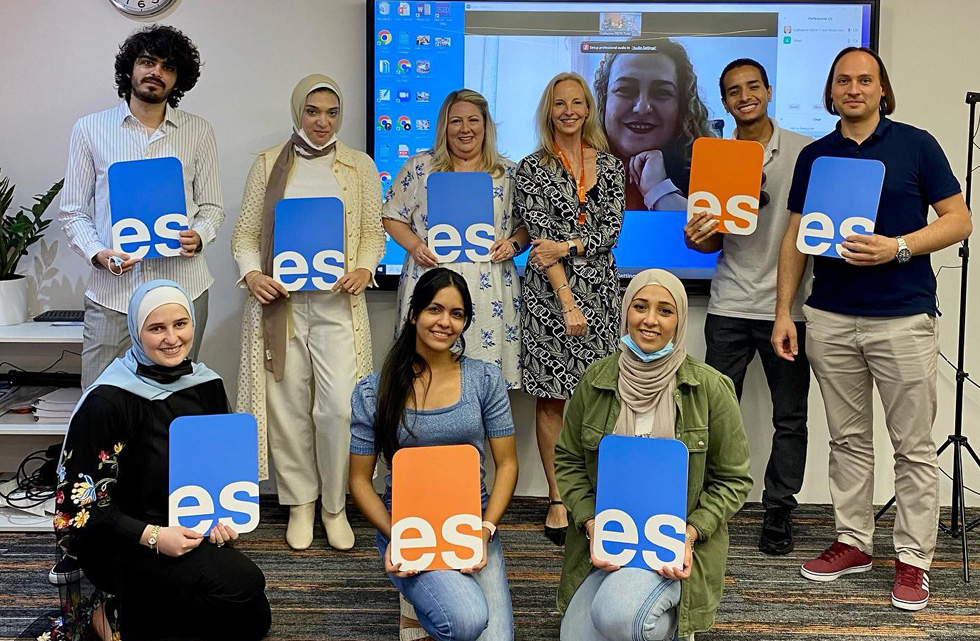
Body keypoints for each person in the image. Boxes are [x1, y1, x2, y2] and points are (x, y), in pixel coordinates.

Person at [772, 47, 972, 611]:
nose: (854, 88)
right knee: (848, 441)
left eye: (865, 79)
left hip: (904, 319)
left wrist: (899, 247)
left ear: (882, 90)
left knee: (913, 449)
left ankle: (913, 561)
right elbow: (794, 239)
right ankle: (853, 541)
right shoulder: (815, 156)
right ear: (830, 92)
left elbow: (959, 220)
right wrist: (787, 311)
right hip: (830, 318)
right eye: (843, 80)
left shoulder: (917, 144)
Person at [51, 279, 271, 641]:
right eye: (156, 328)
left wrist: (221, 519)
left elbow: (217, 472)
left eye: (180, 324)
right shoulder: (108, 400)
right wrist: (154, 536)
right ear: (137, 333)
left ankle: (132, 616)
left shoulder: (206, 385)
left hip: (186, 526)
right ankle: (110, 617)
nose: (172, 338)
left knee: (254, 618)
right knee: (246, 583)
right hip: (123, 538)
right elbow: (81, 509)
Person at [232, 74, 385, 551]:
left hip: (337, 306)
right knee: (288, 408)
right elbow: (245, 235)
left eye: (332, 112)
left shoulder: (360, 167)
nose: (322, 122)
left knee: (338, 409)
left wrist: (363, 268)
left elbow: (373, 234)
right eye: (313, 111)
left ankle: (334, 505)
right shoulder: (267, 164)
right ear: (298, 111)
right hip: (283, 309)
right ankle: (299, 503)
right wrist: (253, 275)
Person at [555, 269, 752, 641]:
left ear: (680, 320)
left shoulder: (709, 387)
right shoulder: (596, 380)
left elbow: (733, 479)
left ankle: (671, 620)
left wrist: (690, 534)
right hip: (605, 545)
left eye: (665, 311)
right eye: (640, 307)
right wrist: (591, 523)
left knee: (619, 617)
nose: (650, 320)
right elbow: (568, 461)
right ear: (626, 311)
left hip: (672, 554)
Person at [684, 58, 812, 556]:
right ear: (724, 101)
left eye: (752, 87)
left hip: (791, 308)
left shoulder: (805, 152)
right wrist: (696, 235)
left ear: (768, 90)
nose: (744, 97)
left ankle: (780, 510)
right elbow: (706, 243)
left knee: (791, 418)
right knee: (716, 414)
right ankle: (713, 507)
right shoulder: (714, 156)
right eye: (733, 91)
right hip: (730, 304)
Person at [349, 268, 519, 641]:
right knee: (466, 621)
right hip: (407, 526)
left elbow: (507, 464)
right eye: (434, 309)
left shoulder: (485, 380)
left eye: (457, 314)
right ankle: (421, 610)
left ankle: (421, 609)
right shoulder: (373, 391)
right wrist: (400, 535)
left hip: (472, 527)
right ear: (414, 314)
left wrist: (485, 529)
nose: (445, 322)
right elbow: (359, 481)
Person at [59, 25, 224, 389]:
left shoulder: (198, 131)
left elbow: (212, 207)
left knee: (174, 400)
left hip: (184, 290)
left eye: (168, 68)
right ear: (130, 68)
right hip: (112, 294)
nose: (156, 73)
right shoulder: (89, 130)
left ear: (178, 79)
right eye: (148, 62)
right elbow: (72, 210)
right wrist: (98, 253)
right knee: (100, 400)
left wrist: (200, 235)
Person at [513, 72, 625, 545]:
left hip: (602, 294)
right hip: (551, 299)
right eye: (560, 103)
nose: (569, 111)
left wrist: (570, 245)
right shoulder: (531, 168)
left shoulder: (612, 166)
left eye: (577, 103)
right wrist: (566, 297)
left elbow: (611, 232)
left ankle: (597, 496)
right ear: (549, 110)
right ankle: (559, 498)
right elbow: (539, 245)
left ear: (588, 109)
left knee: (601, 395)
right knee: (554, 398)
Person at [383, 89, 528, 389]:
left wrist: (513, 244)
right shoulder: (420, 167)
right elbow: (391, 215)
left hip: (490, 290)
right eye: (456, 121)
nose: (465, 129)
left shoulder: (509, 173)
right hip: (430, 280)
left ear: (486, 126)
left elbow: (527, 227)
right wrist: (414, 245)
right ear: (443, 126)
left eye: (473, 120)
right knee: (423, 379)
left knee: (485, 386)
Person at [593, 39, 716, 212]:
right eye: (625, 90)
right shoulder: (563, 173)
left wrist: (660, 191)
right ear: (604, 99)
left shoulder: (712, 179)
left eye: (662, 92)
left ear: (681, 106)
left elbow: (707, 238)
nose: (642, 107)